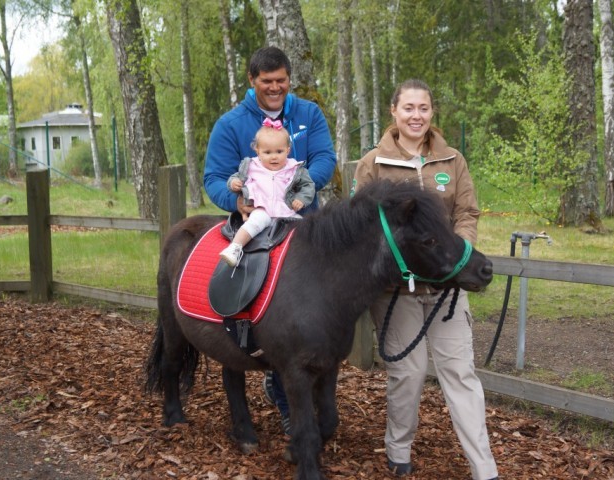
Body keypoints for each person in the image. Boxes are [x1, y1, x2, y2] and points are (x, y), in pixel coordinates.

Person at [352, 79, 499, 480]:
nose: (417, 116)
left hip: (447, 288)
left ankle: (484, 467)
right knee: (409, 372)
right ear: (393, 112)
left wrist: (457, 256)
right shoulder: (373, 164)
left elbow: (467, 213)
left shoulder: (452, 160)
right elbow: (363, 226)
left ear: (432, 113)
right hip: (396, 291)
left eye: (424, 108)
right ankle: (398, 449)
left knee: (460, 372)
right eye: (409, 108)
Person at [204, 46, 337, 435]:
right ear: (252, 81)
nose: (275, 88)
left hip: (303, 227)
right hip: (259, 229)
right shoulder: (231, 125)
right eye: (267, 82)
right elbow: (214, 176)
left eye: (281, 81)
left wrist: (304, 188)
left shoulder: (309, 114)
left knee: (321, 314)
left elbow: (325, 158)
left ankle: (312, 388)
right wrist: (237, 200)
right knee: (276, 317)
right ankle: (284, 397)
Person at [219, 121, 315, 266]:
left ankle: (311, 258)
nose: (274, 157)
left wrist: (301, 198)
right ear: (257, 151)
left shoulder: (295, 169)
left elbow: (308, 186)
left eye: (279, 151)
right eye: (267, 152)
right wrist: (233, 184)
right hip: (261, 209)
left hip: (286, 211)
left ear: (288, 150)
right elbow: (236, 177)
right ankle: (235, 247)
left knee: (304, 227)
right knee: (254, 223)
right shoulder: (251, 166)